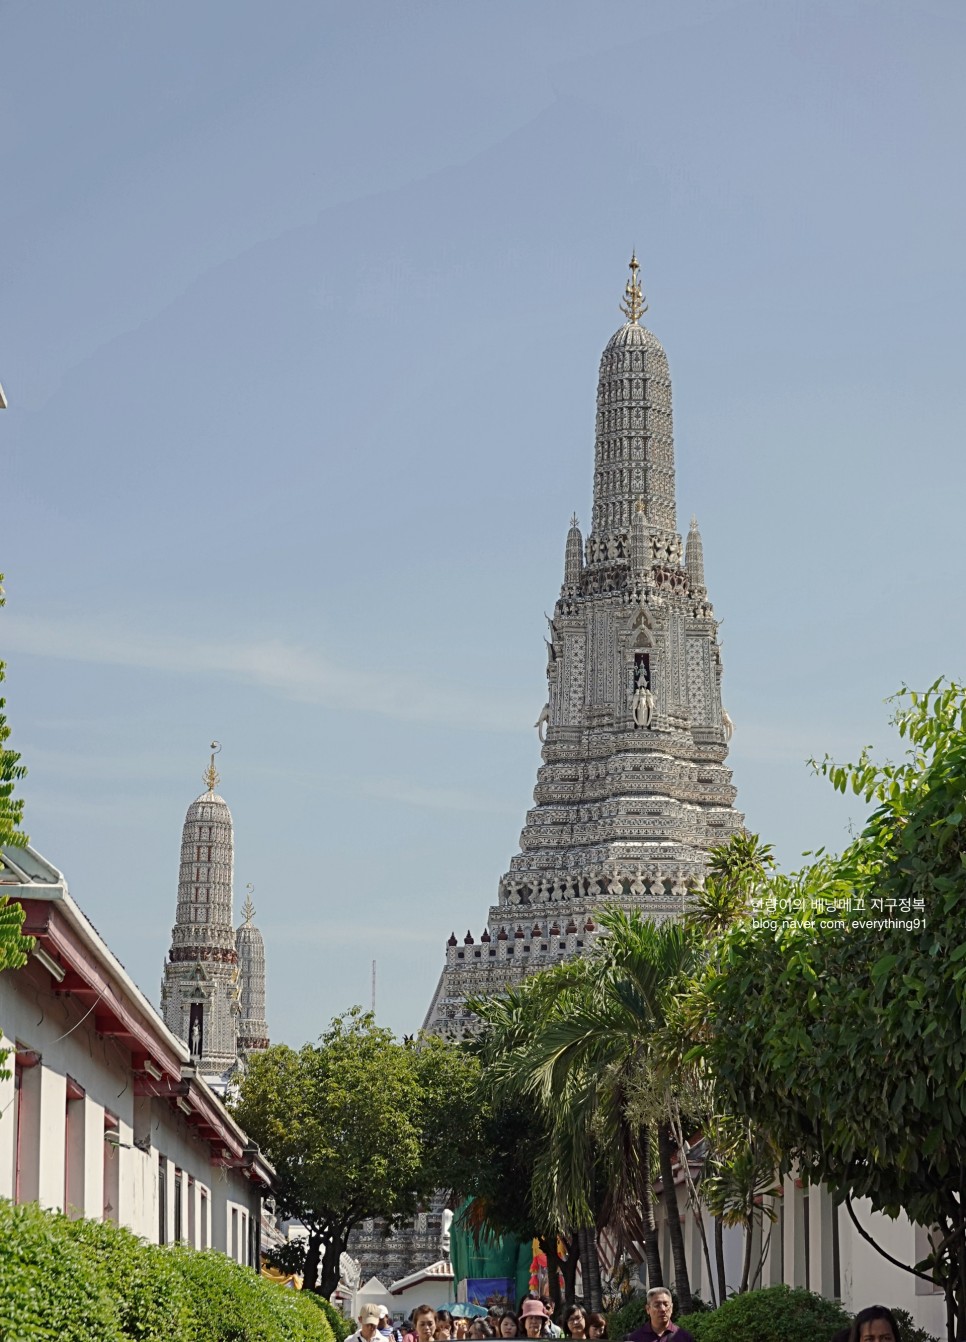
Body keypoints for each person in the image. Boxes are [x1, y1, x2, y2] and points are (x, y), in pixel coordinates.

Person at [624, 1288, 695, 1342]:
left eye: (666, 1304)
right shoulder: (635, 1338)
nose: (663, 1309)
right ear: (648, 1309)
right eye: (657, 1305)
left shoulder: (684, 1337)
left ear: (672, 1308)